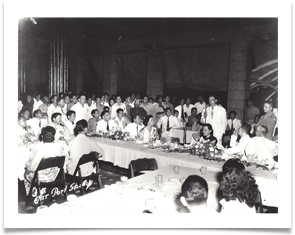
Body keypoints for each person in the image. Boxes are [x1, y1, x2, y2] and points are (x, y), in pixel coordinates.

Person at [23, 126, 69, 196]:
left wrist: (26, 172)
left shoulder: (39, 150)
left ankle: (34, 196)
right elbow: (65, 159)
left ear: (42, 136)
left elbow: (31, 168)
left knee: (26, 173)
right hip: (54, 176)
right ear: (54, 136)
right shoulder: (60, 147)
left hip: (41, 178)